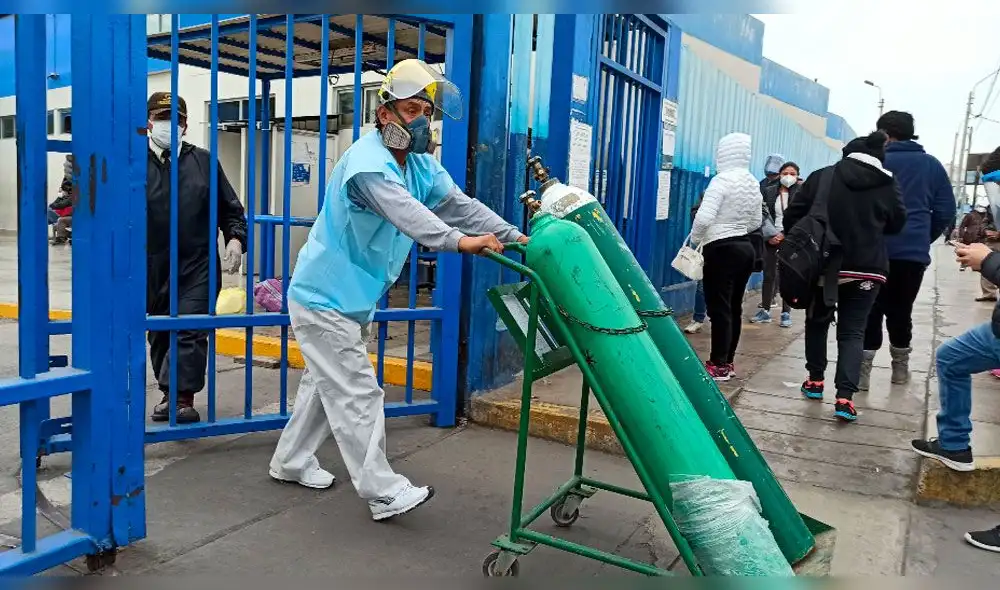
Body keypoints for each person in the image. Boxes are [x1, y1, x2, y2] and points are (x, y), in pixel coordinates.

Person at [268, 59, 528, 521]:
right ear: (384, 114)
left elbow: (461, 206)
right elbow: (409, 214)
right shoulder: (368, 165)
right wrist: (458, 242)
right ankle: (382, 491)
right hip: (323, 297)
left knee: (325, 385)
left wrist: (514, 236)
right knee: (357, 391)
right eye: (411, 110)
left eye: (426, 112)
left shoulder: (421, 166)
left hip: (351, 298)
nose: (422, 121)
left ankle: (290, 460)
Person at [785, 132, 907, 422]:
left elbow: (793, 215)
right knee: (853, 331)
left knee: (817, 321)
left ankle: (815, 381)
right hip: (868, 268)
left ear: (847, 154)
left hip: (823, 265)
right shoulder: (887, 182)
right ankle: (844, 398)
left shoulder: (823, 176)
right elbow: (897, 223)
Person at [145, 92, 248, 423]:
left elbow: (231, 209)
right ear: (148, 123)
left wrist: (235, 239)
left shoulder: (203, 162)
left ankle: (181, 398)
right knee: (160, 331)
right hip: (150, 265)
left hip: (197, 264)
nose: (169, 125)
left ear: (186, 125)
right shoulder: (131, 163)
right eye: (162, 118)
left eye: (176, 119)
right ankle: (170, 393)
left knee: (189, 328)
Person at [859, 111, 956, 391]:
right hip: (911, 254)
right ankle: (899, 370)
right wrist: (923, 237)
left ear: (885, 135)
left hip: (872, 252)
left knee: (870, 310)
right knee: (901, 310)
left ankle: (863, 374)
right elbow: (946, 210)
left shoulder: (875, 162)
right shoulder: (931, 165)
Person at [690, 132, 761, 381]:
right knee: (734, 307)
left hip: (721, 249)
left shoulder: (721, 180)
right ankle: (727, 362)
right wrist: (737, 227)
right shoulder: (752, 182)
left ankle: (717, 363)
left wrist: (696, 239)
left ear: (723, 153)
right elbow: (756, 221)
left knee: (718, 308)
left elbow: (704, 217)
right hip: (745, 247)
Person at [752, 161, 800, 328]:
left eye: (792, 174)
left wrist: (785, 235)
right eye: (785, 173)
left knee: (788, 275)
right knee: (769, 275)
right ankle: (765, 310)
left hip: (791, 239)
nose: (788, 176)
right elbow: (762, 214)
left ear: (798, 176)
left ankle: (786, 313)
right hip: (771, 238)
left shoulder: (801, 193)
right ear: (779, 174)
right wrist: (770, 235)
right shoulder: (769, 191)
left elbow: (801, 217)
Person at [684, 192, 708, 333]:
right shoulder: (709, 193)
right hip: (707, 245)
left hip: (730, 247)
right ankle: (698, 319)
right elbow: (694, 214)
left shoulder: (744, 193)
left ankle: (723, 319)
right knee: (702, 286)